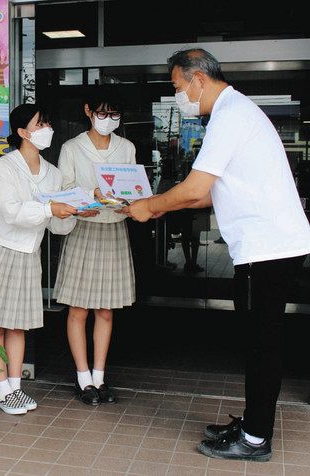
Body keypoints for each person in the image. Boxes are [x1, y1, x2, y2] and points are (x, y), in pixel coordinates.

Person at [123, 48, 310, 462]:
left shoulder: (230, 116)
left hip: (271, 247)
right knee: (258, 340)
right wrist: (151, 202)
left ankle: (257, 438)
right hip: (270, 245)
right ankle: (253, 423)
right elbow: (206, 194)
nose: (178, 97)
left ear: (198, 79)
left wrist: (150, 207)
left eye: (177, 87)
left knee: (263, 344)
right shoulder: (235, 112)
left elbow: (192, 189)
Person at [0, 104, 77, 414]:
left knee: (18, 326)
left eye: (47, 122)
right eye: (40, 123)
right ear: (22, 132)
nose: (47, 128)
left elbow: (57, 225)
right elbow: (13, 212)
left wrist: (74, 211)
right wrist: (50, 209)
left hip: (29, 253)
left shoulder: (53, 173)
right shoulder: (4, 167)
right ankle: (2, 390)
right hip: (1, 248)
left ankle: (15, 387)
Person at [53, 90, 136, 406]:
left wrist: (129, 200)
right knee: (78, 308)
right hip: (85, 229)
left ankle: (99, 378)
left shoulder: (126, 147)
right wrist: (89, 197)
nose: (108, 121)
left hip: (113, 228)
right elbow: (63, 190)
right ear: (88, 111)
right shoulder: (72, 148)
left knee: (106, 308)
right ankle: (82, 378)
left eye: (114, 115)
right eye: (103, 114)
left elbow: (132, 190)